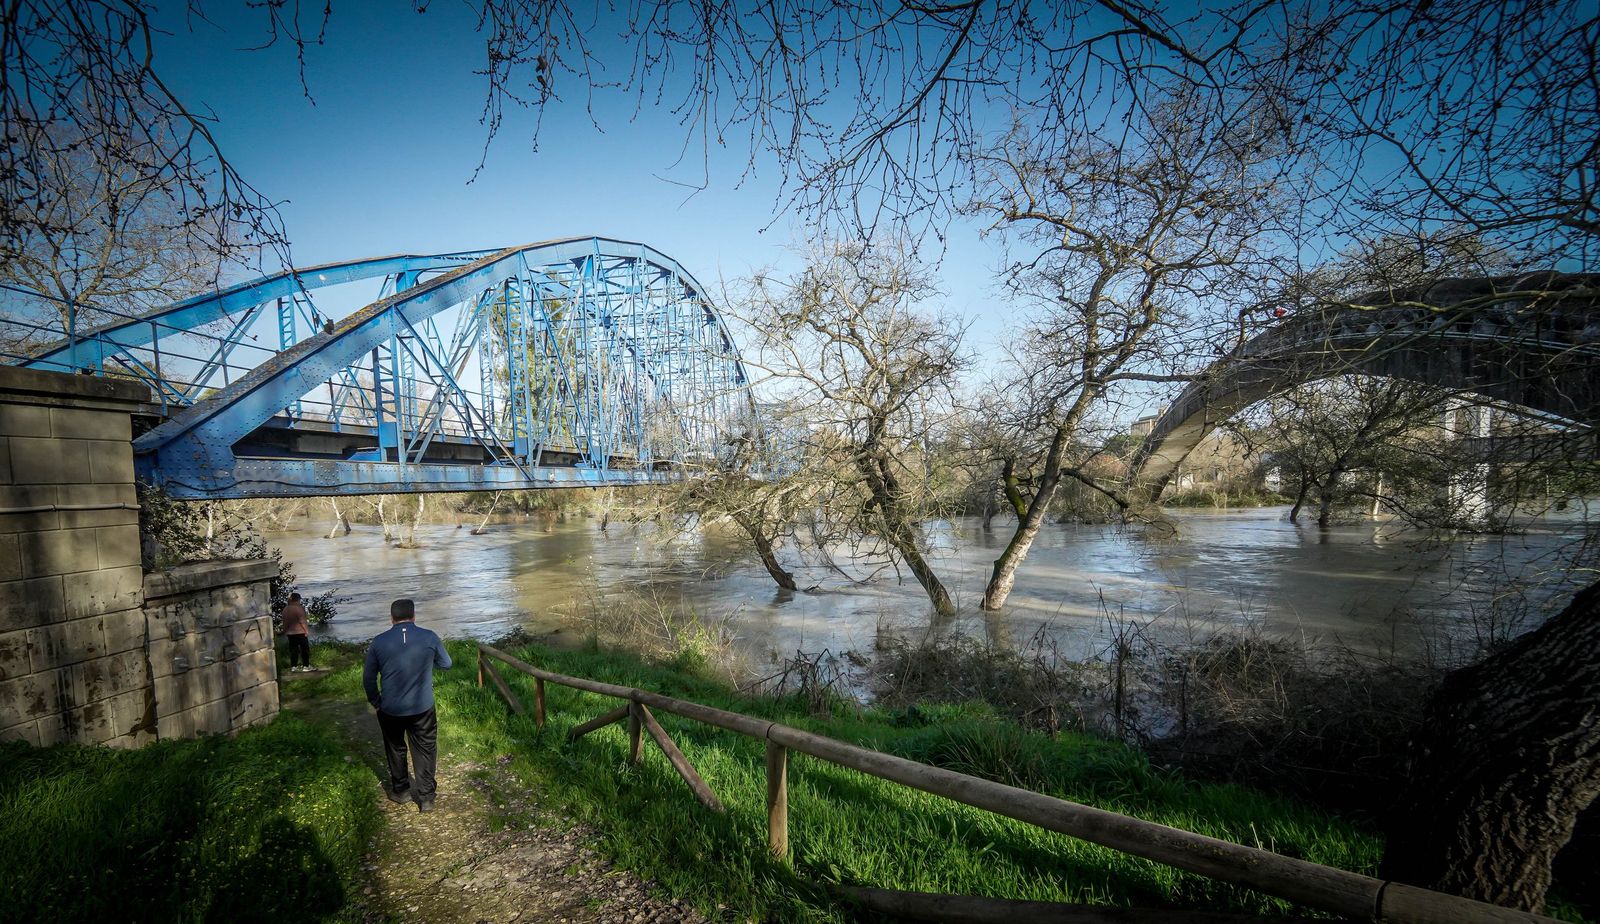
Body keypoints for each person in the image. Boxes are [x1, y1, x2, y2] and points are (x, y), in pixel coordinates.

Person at [363, 598, 453, 813]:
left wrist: (376, 701)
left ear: (391, 618)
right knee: (425, 749)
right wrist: (428, 660)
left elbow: (368, 678)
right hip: (422, 706)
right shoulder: (429, 637)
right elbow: (446, 664)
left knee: (395, 748)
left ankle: (401, 791)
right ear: (414, 616)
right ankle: (427, 797)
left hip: (390, 708)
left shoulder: (379, 642)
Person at [281, 593, 312, 672]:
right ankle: (306, 666)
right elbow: (302, 621)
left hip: (290, 633)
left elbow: (285, 622)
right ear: (298, 599)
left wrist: (284, 631)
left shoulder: (285, 609)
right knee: (304, 649)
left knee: (293, 650)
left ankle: (293, 666)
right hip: (300, 632)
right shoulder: (299, 608)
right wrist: (306, 630)